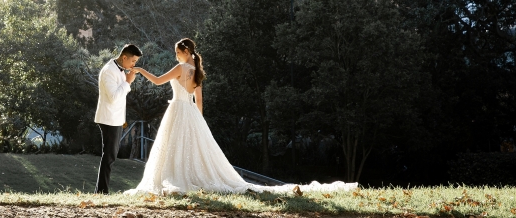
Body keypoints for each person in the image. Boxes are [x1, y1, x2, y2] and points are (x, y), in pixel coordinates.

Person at [125, 38, 357, 195]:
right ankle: (186, 178)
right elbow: (200, 101)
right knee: (190, 148)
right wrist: (200, 123)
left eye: (178, 53)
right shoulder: (197, 72)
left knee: (172, 147)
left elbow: (157, 81)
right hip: (190, 113)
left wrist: (139, 70)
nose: (177, 56)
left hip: (176, 110)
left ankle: (174, 179)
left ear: (186, 52)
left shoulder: (182, 68)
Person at [94, 44, 142, 194]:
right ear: (124, 57)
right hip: (108, 118)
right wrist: (128, 82)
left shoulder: (119, 70)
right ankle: (101, 192)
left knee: (110, 155)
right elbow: (114, 97)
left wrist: (127, 80)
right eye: (133, 61)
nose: (134, 65)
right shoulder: (109, 71)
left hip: (115, 119)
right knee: (109, 155)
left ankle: (101, 191)